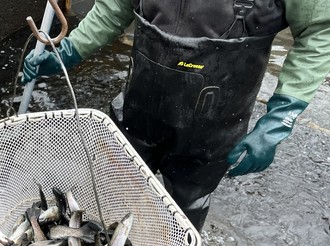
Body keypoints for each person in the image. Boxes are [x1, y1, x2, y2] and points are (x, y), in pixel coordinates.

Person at [22, 0, 330, 231]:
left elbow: (319, 32)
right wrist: (71, 50)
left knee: (186, 211)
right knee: (106, 200)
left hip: (214, 129)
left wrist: (280, 117)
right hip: (139, 110)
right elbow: (114, 7)